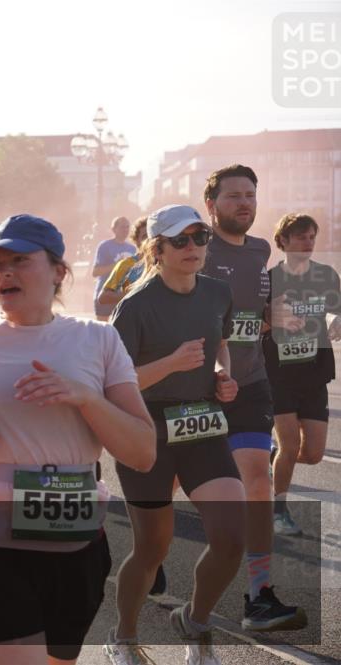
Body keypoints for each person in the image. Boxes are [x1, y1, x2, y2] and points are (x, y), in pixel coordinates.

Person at [0, 214, 155, 665]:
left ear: (58, 270)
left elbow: (142, 451)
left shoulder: (98, 339)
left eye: (19, 260)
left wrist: (84, 398)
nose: (4, 273)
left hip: (77, 542)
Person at [105, 204, 246, 665]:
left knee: (231, 536)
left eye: (199, 238)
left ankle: (196, 623)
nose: (192, 248)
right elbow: (112, 385)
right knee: (152, 548)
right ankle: (123, 637)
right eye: (180, 240)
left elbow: (219, 347)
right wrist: (171, 363)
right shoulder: (136, 305)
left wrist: (223, 376)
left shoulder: (217, 293)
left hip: (202, 422)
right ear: (157, 249)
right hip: (146, 428)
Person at [199, 164, 306, 631]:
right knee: (167, 496)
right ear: (212, 205)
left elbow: (254, 312)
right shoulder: (195, 248)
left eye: (250, 195)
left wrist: (272, 315)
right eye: (233, 196)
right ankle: (152, 562)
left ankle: (258, 595)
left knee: (256, 482)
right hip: (196, 389)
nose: (244, 203)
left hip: (251, 383)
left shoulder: (261, 249)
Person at [263, 213, 341, 536]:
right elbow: (254, 324)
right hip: (278, 374)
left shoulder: (324, 276)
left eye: (311, 237)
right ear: (282, 241)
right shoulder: (268, 280)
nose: (307, 243)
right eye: (300, 237)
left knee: (312, 453)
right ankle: (278, 512)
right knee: (291, 445)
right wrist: (272, 322)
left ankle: (271, 457)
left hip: (314, 374)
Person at [97, 216, 149, 308]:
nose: (149, 240)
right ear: (136, 240)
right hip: (132, 316)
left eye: (152, 236)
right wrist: (134, 295)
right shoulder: (127, 264)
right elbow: (103, 298)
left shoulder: (167, 263)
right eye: (145, 236)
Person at [92, 216, 136, 321]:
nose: (125, 230)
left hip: (123, 295)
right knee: (102, 330)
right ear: (114, 229)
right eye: (122, 227)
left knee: (123, 331)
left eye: (127, 227)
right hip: (105, 294)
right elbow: (95, 272)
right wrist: (119, 265)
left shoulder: (132, 248)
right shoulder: (104, 246)